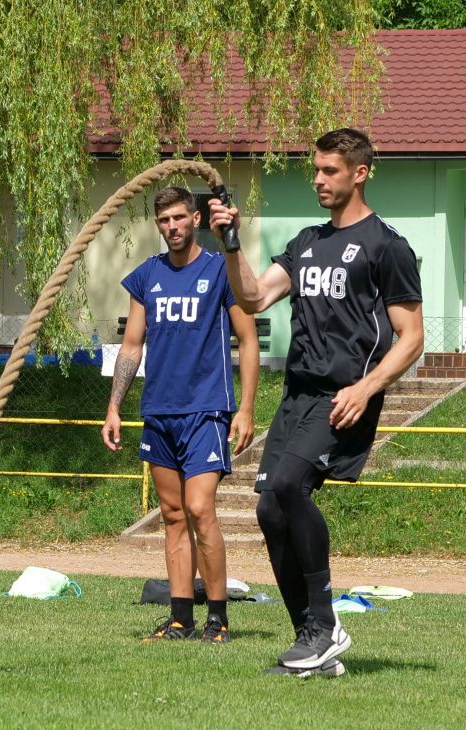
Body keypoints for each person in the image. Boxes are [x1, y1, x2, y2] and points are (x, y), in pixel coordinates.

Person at [209, 128, 424, 674]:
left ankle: (325, 627)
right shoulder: (306, 242)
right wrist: (231, 243)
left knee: (287, 486)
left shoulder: (387, 245)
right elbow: (254, 295)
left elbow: (412, 338)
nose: (318, 180)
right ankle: (312, 638)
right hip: (298, 394)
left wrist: (365, 388)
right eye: (316, 170)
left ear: (360, 172)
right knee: (266, 508)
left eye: (330, 170)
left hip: (344, 394)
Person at [103, 186, 259, 644]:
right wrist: (114, 406)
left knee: (199, 508)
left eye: (178, 218)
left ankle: (218, 620)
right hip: (159, 413)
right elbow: (132, 346)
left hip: (206, 411)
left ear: (195, 219)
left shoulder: (219, 270)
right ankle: (179, 619)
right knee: (172, 514)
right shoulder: (146, 277)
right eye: (163, 221)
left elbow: (248, 341)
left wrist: (246, 408)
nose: (172, 227)